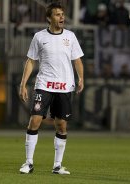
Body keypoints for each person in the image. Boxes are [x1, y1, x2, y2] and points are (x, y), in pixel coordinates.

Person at [18, 2, 84, 175]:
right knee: (35, 120)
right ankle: (28, 163)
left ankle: (57, 165)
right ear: (49, 18)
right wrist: (23, 84)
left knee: (61, 126)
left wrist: (81, 78)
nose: (61, 17)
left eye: (62, 14)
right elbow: (31, 60)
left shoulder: (70, 36)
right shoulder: (39, 37)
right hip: (44, 85)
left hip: (64, 87)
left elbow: (77, 59)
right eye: (57, 14)